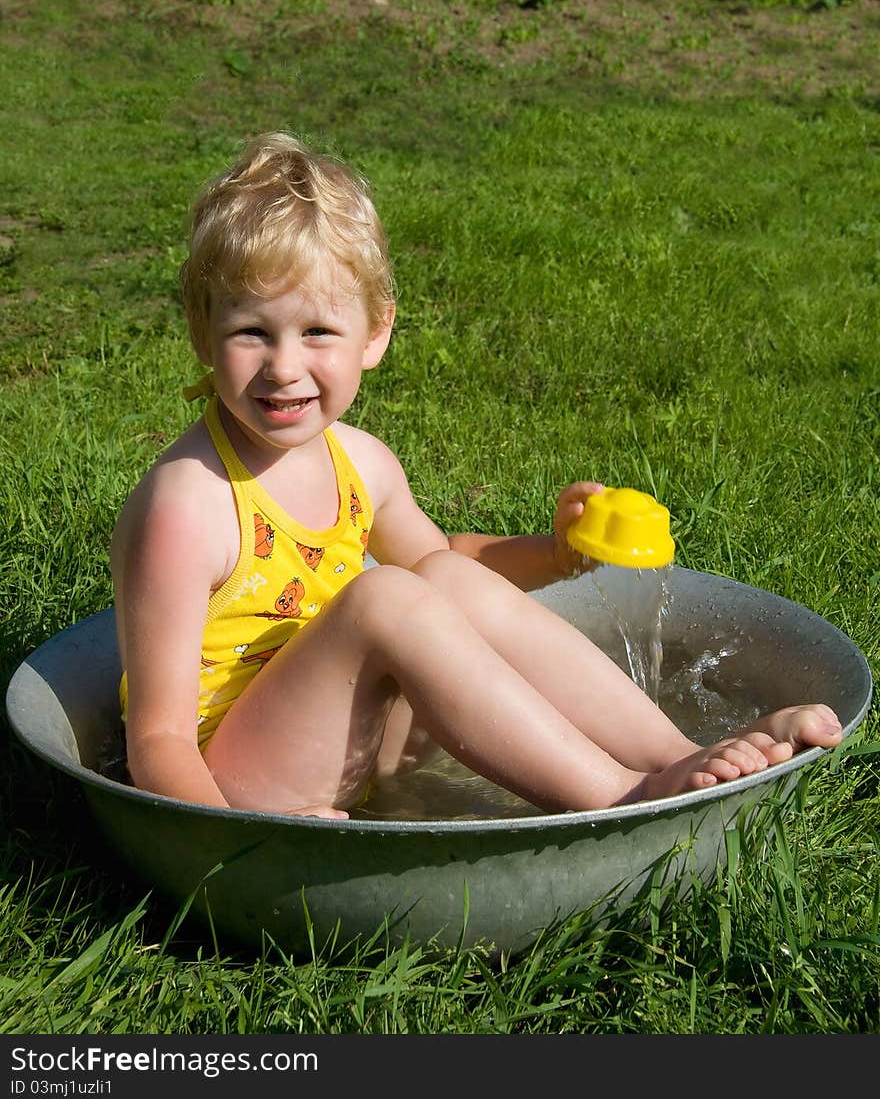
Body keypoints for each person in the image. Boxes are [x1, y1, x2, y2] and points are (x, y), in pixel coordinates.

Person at [111, 132, 843, 820]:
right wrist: (234, 840)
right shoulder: (188, 505)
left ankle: (678, 755)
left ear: (376, 333)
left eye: (317, 332)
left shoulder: (361, 461)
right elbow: (158, 742)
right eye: (251, 332)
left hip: (349, 745)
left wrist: (553, 555)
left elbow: (448, 565)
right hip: (239, 787)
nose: (284, 366)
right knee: (384, 597)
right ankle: (621, 793)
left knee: (437, 578)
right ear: (202, 333)